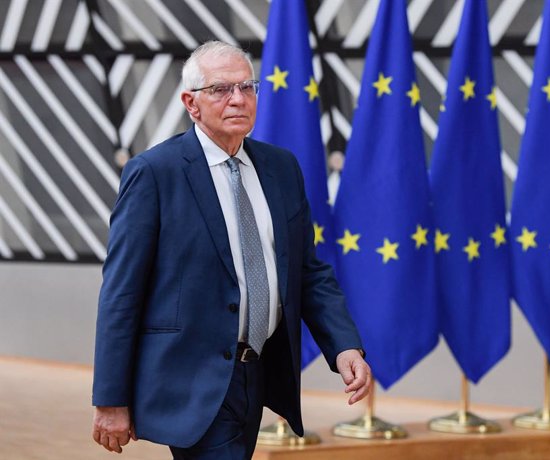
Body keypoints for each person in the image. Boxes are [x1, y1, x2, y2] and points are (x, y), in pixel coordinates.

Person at [91, 40, 371, 459]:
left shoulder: (281, 168)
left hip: (257, 372)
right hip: (191, 379)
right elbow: (121, 292)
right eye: (221, 90)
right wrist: (110, 398)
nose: (238, 99)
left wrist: (344, 345)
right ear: (191, 103)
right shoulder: (154, 174)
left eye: (247, 87)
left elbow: (307, 271)